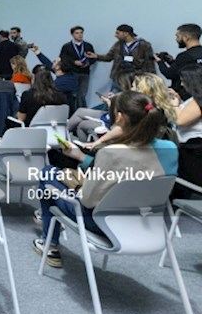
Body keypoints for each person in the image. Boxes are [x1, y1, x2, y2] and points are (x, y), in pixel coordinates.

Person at [33, 91, 178, 268]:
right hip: (146, 222)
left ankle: (50, 245)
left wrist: (76, 184)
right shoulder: (170, 148)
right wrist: (80, 157)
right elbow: (127, 176)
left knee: (48, 174)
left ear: (119, 117)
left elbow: (87, 200)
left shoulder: (112, 153)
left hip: (103, 223)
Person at [169, 64, 202, 199]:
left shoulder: (198, 100)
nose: (181, 84)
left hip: (194, 150)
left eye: (183, 80)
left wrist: (175, 104)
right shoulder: (194, 98)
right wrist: (180, 100)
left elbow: (180, 120)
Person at [87, 24, 155, 87]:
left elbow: (149, 62)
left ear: (126, 33)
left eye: (118, 33)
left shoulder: (144, 45)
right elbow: (109, 57)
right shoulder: (118, 45)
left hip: (137, 77)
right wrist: (96, 56)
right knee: (115, 96)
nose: (115, 35)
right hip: (119, 76)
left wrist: (151, 77)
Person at [156, 23, 202, 100]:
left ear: (186, 37)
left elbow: (169, 74)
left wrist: (159, 62)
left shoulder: (184, 56)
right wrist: (172, 62)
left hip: (186, 95)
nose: (176, 39)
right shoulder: (186, 57)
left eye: (178, 36)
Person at [59, 26, 95, 108]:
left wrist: (88, 63)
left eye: (81, 33)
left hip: (85, 73)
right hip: (72, 73)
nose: (80, 35)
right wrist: (74, 62)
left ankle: (83, 111)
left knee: (82, 94)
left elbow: (93, 58)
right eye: (77, 33)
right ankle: (74, 112)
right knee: (73, 94)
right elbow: (63, 59)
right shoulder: (67, 46)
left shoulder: (88, 45)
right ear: (72, 35)